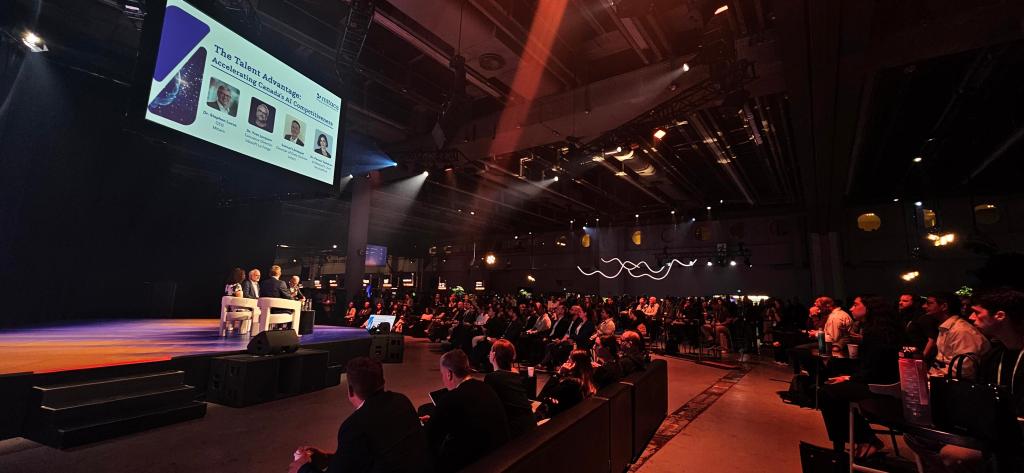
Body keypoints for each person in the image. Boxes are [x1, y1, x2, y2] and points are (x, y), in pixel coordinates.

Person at [908, 288, 1024, 473]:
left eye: (977, 312)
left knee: (953, 454)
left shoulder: (999, 351)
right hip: (995, 430)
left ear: (1000, 316)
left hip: (1012, 437)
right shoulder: (997, 355)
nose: (971, 317)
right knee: (918, 434)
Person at [290, 357, 432, 473]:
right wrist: (330, 458)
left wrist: (302, 468)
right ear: (383, 382)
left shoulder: (354, 427)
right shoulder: (402, 401)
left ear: (350, 391)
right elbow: (379, 455)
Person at [817, 296, 904, 458]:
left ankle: (864, 439)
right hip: (885, 380)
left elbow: (875, 370)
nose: (851, 308)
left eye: (856, 305)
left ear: (869, 308)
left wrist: (850, 378)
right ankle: (862, 438)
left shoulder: (875, 333)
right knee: (831, 388)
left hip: (881, 385)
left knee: (827, 392)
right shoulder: (882, 330)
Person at [422, 350, 510, 473]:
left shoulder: (450, 399)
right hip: (500, 457)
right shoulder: (486, 388)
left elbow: (428, 437)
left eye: (442, 374)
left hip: (475, 465)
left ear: (449, 374)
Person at [927, 291, 990, 379]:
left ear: (944, 306)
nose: (924, 306)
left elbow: (965, 369)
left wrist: (933, 376)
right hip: (944, 379)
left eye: (929, 303)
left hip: (958, 385)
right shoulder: (946, 327)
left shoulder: (961, 330)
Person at [484, 340, 537, 439]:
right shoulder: (515, 375)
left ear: (493, 355)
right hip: (530, 424)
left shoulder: (492, 378)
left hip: (516, 432)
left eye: (491, 351)